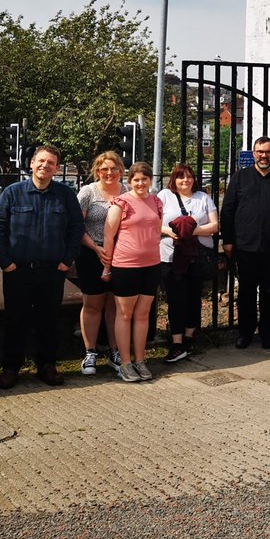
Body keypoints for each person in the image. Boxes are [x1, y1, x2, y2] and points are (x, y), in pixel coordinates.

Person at [0, 143, 84, 389]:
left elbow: (76, 229)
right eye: (41, 161)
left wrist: (67, 260)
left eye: (50, 163)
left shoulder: (65, 195)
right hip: (18, 270)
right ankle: (11, 368)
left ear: (57, 168)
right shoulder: (13, 193)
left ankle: (47, 366)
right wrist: (5, 261)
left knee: (48, 320)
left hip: (52, 271)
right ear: (31, 163)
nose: (45, 166)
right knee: (15, 320)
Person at [220, 136, 270, 349]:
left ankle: (267, 330)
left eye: (268, 152)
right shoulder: (239, 178)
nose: (264, 155)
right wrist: (227, 240)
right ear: (253, 153)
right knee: (246, 291)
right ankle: (245, 331)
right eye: (260, 151)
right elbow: (228, 211)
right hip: (245, 246)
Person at [103, 162, 164, 382]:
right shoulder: (121, 203)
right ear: (129, 182)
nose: (141, 183)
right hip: (126, 265)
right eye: (136, 180)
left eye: (144, 179)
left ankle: (140, 359)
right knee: (125, 314)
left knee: (143, 314)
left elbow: (157, 230)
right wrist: (107, 266)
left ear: (150, 180)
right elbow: (109, 235)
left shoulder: (156, 202)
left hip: (151, 264)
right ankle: (126, 363)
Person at [157, 164, 219, 363]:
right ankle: (176, 342)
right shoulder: (164, 196)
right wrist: (169, 231)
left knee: (193, 297)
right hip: (170, 257)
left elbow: (214, 225)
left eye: (189, 177)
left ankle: (190, 336)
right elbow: (153, 222)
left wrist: (190, 231)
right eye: (181, 177)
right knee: (175, 299)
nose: (185, 180)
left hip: (196, 257)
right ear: (174, 180)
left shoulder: (203, 198)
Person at [75, 151, 125, 376]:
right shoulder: (88, 192)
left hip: (121, 255)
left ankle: (115, 350)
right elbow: (76, 225)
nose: (109, 173)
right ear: (97, 171)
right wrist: (97, 249)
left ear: (120, 170)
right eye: (104, 169)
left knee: (115, 305)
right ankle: (90, 351)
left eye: (113, 168)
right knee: (93, 304)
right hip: (91, 253)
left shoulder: (127, 192)